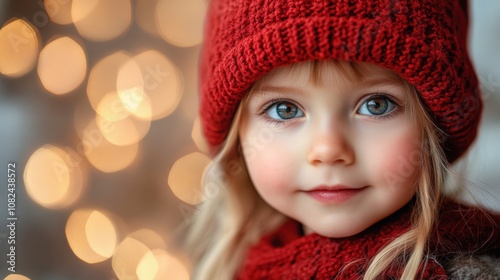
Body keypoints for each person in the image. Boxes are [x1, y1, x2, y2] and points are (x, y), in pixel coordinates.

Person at [183, 0, 500, 279]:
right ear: (237, 138)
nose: (328, 150)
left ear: (434, 125)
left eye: (376, 105)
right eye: (284, 109)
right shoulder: (240, 266)